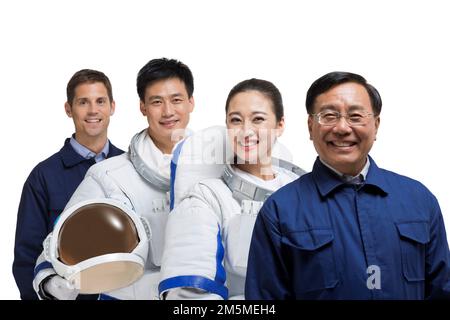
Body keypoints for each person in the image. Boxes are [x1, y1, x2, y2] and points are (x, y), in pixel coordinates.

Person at [245, 71, 450, 299]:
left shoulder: (419, 200)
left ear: (376, 125)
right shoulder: (279, 211)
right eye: (329, 116)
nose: (342, 128)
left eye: (355, 116)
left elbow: (442, 290)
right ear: (311, 126)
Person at [32, 58, 195, 300]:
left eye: (177, 100)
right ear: (143, 107)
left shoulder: (220, 168)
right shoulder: (107, 176)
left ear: (191, 103)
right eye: (156, 102)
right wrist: (51, 282)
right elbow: (58, 243)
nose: (168, 111)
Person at [159, 78, 306, 300]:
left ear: (280, 125)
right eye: (235, 120)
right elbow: (186, 298)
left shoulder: (303, 191)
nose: (246, 131)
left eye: (258, 119)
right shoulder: (205, 197)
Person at [12, 69, 124, 300]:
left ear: (112, 107)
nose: (93, 110)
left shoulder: (130, 167)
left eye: (100, 101)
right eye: (83, 102)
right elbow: (26, 259)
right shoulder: (44, 176)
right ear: (68, 108)